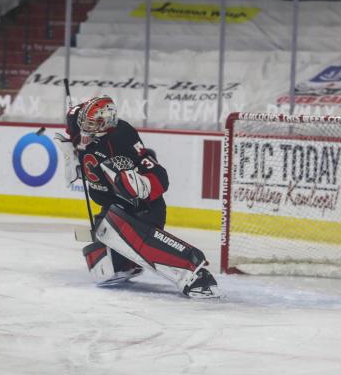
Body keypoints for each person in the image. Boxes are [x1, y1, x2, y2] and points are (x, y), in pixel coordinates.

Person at [54, 96, 219, 298]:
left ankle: (196, 274)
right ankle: (127, 263)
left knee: (123, 234)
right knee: (103, 266)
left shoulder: (121, 136)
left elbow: (158, 174)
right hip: (112, 208)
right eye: (84, 121)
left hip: (141, 210)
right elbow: (74, 119)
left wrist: (144, 185)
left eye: (92, 122)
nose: (86, 127)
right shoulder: (82, 131)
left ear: (106, 121)